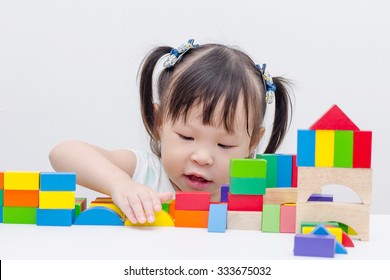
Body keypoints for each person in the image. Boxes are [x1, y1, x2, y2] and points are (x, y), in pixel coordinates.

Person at [49, 39, 293, 225]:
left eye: (225, 145)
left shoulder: (253, 193)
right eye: (186, 137)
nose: (203, 157)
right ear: (159, 122)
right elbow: (63, 154)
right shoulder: (146, 172)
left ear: (252, 143)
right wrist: (121, 184)